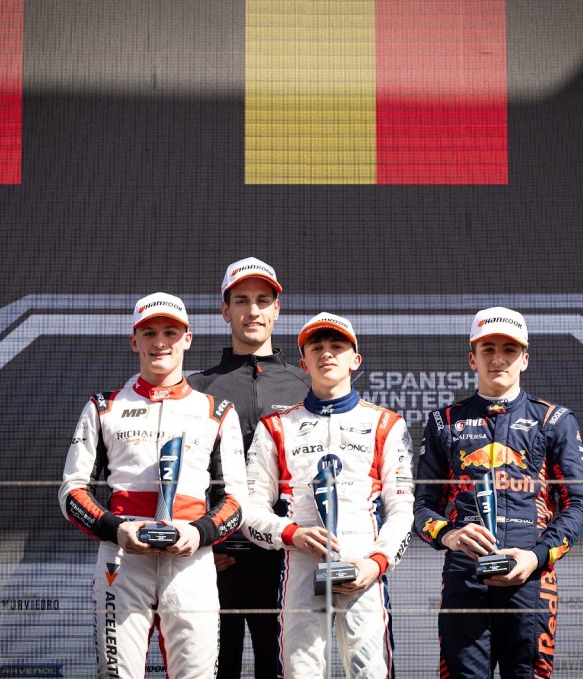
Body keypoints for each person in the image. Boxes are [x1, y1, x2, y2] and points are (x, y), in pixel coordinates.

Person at [59, 292, 248, 678]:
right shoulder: (104, 407)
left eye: (170, 332)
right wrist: (116, 529)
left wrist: (200, 533)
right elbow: (72, 492)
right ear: (134, 341)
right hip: (123, 559)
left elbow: (236, 500)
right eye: (149, 333)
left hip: (190, 559)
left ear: (187, 339)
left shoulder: (216, 411)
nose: (160, 342)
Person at [413, 307, 583, 678]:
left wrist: (537, 555)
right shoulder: (443, 422)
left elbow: (581, 505)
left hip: (531, 578)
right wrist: (449, 535)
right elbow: (421, 508)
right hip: (464, 578)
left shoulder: (554, 420)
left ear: (525, 359)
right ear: (472, 358)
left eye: (509, 349)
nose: (498, 358)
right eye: (488, 349)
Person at [242, 312, 415, 678]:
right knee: (300, 673)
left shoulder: (386, 424)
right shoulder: (276, 426)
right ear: (304, 363)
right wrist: (292, 534)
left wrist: (376, 563)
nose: (327, 354)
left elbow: (402, 510)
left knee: (370, 674)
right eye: (316, 347)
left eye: (337, 346)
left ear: (356, 360)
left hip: (363, 567)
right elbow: (250, 511)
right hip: (301, 567)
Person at [187, 257, 310, 679]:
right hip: (213, 557)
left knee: (279, 670)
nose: (252, 311)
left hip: (286, 559)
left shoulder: (306, 386)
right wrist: (202, 541)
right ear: (225, 310)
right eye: (241, 301)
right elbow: (182, 477)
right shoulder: (196, 388)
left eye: (262, 300)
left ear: (277, 309)